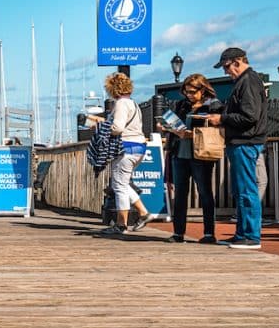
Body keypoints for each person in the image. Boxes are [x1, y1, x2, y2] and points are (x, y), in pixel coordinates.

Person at [207, 47, 269, 249]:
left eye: (226, 67)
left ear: (238, 61)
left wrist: (222, 118)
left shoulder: (248, 81)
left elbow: (249, 116)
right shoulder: (246, 81)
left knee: (246, 190)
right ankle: (243, 234)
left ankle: (251, 236)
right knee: (241, 190)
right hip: (242, 142)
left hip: (246, 142)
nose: (226, 71)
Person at [159, 74, 223, 244]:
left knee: (205, 192)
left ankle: (209, 233)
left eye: (193, 92)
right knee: (180, 193)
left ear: (203, 90)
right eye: (186, 92)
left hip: (201, 155)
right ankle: (178, 233)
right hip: (180, 154)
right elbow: (175, 124)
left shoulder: (214, 105)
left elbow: (216, 129)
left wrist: (191, 134)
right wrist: (168, 128)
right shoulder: (182, 104)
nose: (189, 95)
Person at [93, 73, 152, 235]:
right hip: (139, 147)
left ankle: (121, 224)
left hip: (125, 148)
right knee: (123, 184)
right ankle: (143, 213)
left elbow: (118, 128)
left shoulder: (121, 104)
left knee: (118, 186)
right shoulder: (134, 104)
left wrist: (102, 128)